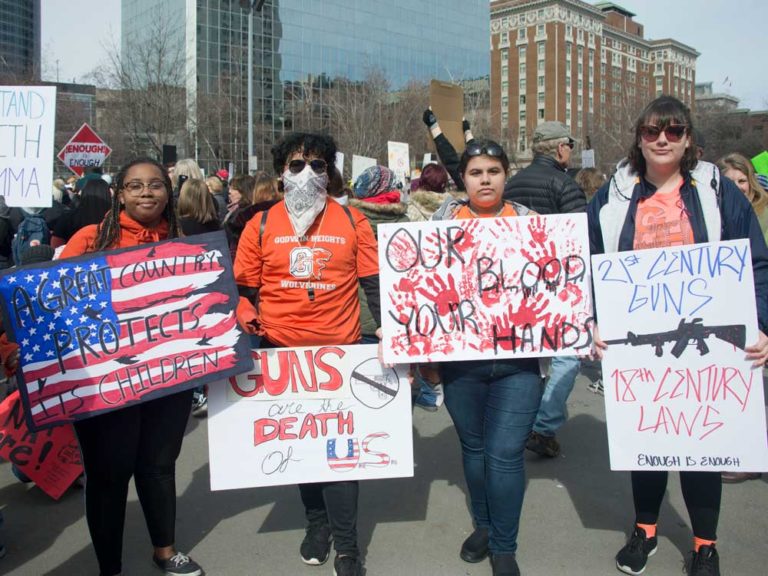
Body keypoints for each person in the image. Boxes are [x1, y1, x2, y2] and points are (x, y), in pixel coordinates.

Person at [587, 95, 768, 576]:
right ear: (639, 138)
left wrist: (762, 325)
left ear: (688, 138)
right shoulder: (613, 196)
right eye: (652, 131)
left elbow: (755, 262)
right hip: (640, 343)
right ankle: (645, 530)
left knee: (703, 444)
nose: (662, 139)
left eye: (673, 130)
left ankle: (705, 544)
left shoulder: (715, 189)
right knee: (647, 438)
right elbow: (586, 265)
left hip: (707, 345)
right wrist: (593, 320)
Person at [234, 132, 381, 576]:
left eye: (317, 166)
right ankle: (317, 524)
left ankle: (349, 548)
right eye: (296, 165)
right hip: (283, 357)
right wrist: (243, 309)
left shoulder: (352, 221)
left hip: (341, 354)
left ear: (330, 172)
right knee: (303, 450)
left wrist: (394, 333)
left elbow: (374, 284)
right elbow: (244, 286)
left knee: (340, 454)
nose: (307, 173)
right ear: (282, 173)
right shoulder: (259, 224)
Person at [61, 157, 203, 576]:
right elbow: (51, 306)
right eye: (135, 186)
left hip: (168, 379)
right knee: (109, 476)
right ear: (119, 193)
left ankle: (165, 550)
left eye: (155, 186)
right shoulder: (90, 240)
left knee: (159, 466)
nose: (146, 194)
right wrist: (13, 346)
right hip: (105, 384)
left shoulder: (185, 241)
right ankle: (110, 567)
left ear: (168, 192)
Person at [425, 138, 539, 576]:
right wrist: (424, 359)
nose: (485, 179)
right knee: (474, 449)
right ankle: (487, 527)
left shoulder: (531, 223)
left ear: (506, 174)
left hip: (519, 362)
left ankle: (505, 547)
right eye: (476, 172)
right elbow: (422, 292)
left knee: (505, 453)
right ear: (463, 179)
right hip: (461, 364)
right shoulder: (442, 222)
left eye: (493, 171)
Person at [504, 121, 586, 459]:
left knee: (526, 357)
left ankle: (524, 423)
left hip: (515, 286)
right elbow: (580, 246)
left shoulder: (510, 185)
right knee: (567, 356)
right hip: (557, 286)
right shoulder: (565, 185)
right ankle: (543, 424)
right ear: (561, 149)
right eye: (570, 145)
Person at [717, 152, 768, 245]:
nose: (737, 187)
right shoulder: (713, 216)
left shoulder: (765, 212)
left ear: (750, 183)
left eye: (742, 181)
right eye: (730, 183)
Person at [422, 108, 476, 191]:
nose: (485, 179)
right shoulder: (471, 186)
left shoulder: (469, 186)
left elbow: (451, 161)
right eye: (477, 172)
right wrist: (467, 131)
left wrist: (433, 124)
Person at [51, 178, 112, 248]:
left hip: (73, 256)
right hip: (107, 257)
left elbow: (56, 245)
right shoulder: (115, 219)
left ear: (84, 193)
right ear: (108, 195)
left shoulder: (68, 218)